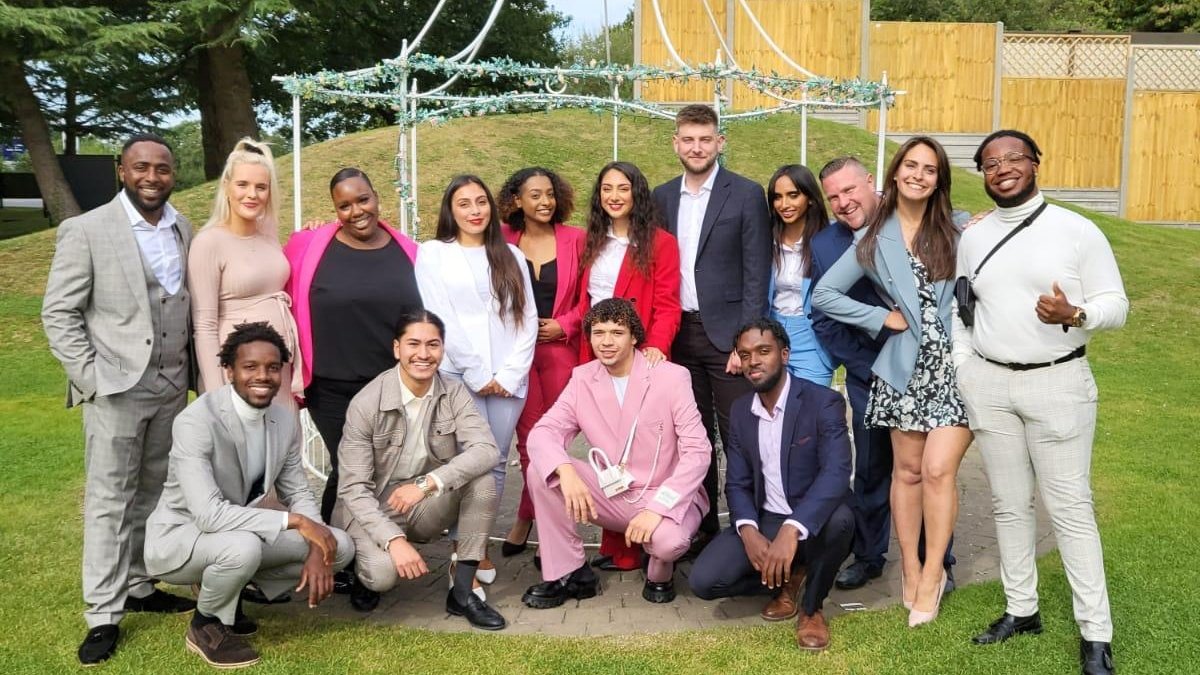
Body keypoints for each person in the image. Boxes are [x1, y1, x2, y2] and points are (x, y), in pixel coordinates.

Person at [956, 130, 1127, 675]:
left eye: (1014, 158)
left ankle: (1096, 635)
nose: (1002, 168)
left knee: (1071, 510)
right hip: (990, 384)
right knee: (1009, 504)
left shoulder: (1076, 231)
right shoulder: (974, 237)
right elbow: (962, 307)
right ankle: (1021, 609)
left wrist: (1076, 315)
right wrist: (964, 368)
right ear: (982, 174)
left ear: (1035, 163)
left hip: (1057, 383)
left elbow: (1117, 304)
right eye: (990, 163)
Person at [42, 133, 197, 666]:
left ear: (173, 174)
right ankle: (103, 614)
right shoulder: (86, 230)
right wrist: (91, 377)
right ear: (121, 171)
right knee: (110, 499)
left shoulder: (184, 228)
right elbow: (59, 313)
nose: (152, 177)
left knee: (153, 493)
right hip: (116, 389)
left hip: (172, 387)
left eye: (162, 168)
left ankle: (138, 583)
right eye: (141, 167)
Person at [812, 137, 971, 627]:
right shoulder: (873, 239)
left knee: (938, 470)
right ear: (895, 173)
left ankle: (934, 571)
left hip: (956, 367)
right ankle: (910, 570)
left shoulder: (960, 227)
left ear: (938, 179)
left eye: (929, 169)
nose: (918, 175)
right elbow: (824, 296)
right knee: (907, 473)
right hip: (903, 367)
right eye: (911, 166)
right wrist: (882, 318)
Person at [144, 322, 354, 669]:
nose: (263, 376)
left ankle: (232, 590)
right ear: (229, 370)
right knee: (243, 548)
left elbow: (297, 490)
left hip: (239, 533)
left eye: (272, 368)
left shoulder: (283, 420)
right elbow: (209, 515)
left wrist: (318, 542)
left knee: (340, 546)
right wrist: (296, 522)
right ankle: (206, 625)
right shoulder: (196, 422)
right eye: (250, 367)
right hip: (179, 538)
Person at [521, 299, 710, 608]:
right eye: (598, 333)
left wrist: (657, 509)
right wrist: (565, 470)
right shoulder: (583, 378)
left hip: (665, 495)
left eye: (617, 332)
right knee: (542, 470)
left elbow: (698, 452)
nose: (606, 342)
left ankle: (659, 573)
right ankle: (570, 573)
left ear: (634, 337)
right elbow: (544, 432)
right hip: (615, 495)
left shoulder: (672, 377)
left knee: (668, 543)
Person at [333, 309, 508, 630]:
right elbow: (353, 490)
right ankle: (363, 571)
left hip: (421, 499)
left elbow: (487, 449)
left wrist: (428, 483)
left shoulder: (452, 391)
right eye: (413, 344)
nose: (424, 354)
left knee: (482, 480)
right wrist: (393, 540)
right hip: (371, 507)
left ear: (442, 349)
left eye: (433, 345)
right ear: (397, 348)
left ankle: (462, 592)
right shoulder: (366, 402)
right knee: (382, 575)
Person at [689, 318, 853, 651]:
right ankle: (789, 577)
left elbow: (837, 472)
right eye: (745, 354)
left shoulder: (822, 401)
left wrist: (793, 529)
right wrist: (748, 531)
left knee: (842, 520)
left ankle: (812, 608)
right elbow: (737, 483)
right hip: (766, 518)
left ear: (785, 354)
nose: (754, 361)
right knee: (704, 582)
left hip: (813, 519)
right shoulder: (740, 411)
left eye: (763, 351)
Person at [652, 104, 773, 552]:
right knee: (692, 439)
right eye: (688, 139)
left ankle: (749, 525)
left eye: (705, 139)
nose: (696, 147)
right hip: (678, 335)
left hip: (727, 338)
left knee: (739, 435)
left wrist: (746, 343)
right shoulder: (662, 197)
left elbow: (756, 273)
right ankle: (701, 527)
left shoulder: (745, 194)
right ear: (675, 144)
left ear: (720, 142)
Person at [283, 168, 421, 546]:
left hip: (389, 386)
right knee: (350, 467)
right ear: (334, 209)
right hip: (330, 387)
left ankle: (362, 547)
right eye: (344, 205)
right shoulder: (308, 245)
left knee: (379, 468)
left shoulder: (409, 252)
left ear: (377, 197)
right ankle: (335, 549)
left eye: (363, 199)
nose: (356, 211)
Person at [415, 175, 537, 583]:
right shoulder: (434, 254)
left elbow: (528, 319)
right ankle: (461, 549)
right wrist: (479, 372)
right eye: (464, 203)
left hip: (508, 381)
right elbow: (441, 316)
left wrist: (510, 373)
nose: (474, 210)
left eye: (481, 201)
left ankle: (477, 545)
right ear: (450, 210)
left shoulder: (511, 255)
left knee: (497, 462)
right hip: (460, 376)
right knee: (465, 461)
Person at [576, 160, 683, 571]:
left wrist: (656, 346)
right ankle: (616, 541)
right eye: (607, 188)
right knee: (606, 447)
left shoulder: (660, 243)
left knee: (639, 451)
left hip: (639, 355)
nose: (614, 196)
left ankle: (639, 542)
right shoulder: (591, 241)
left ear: (637, 193)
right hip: (597, 352)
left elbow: (668, 304)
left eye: (623, 188)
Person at [497, 167, 585, 559]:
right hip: (517, 355)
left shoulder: (576, 239)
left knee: (555, 441)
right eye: (535, 195)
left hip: (560, 352)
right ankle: (531, 517)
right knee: (529, 440)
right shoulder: (500, 239)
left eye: (550, 193)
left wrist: (566, 324)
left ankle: (532, 518)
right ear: (517, 200)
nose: (545, 201)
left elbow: (592, 296)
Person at [190, 138, 301, 406]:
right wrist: (217, 395)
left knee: (283, 432)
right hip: (239, 373)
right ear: (227, 187)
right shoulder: (208, 242)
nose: (252, 194)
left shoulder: (269, 235)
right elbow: (204, 326)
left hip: (278, 368)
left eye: (261, 187)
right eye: (243, 184)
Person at [765, 164, 834, 386]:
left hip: (813, 340)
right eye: (777, 197)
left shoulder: (829, 239)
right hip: (771, 336)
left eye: (793, 195)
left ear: (810, 198)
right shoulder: (765, 238)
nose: (784, 204)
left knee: (811, 404)